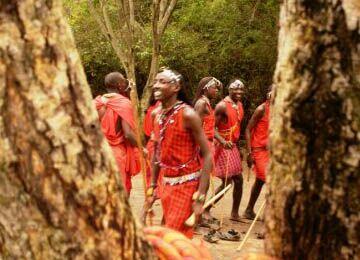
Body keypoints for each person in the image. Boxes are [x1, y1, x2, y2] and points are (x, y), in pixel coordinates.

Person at [145, 68, 212, 238]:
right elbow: (157, 154)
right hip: (167, 184)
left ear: (176, 87)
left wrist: (200, 198)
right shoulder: (156, 114)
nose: (156, 86)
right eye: (156, 81)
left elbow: (208, 154)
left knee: (174, 238)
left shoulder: (188, 115)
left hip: (187, 185)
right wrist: (153, 186)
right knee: (170, 236)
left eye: (162, 82)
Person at [203, 79, 245, 222]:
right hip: (222, 146)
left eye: (241, 90)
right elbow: (211, 128)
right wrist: (222, 141)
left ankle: (234, 213)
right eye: (235, 89)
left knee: (237, 181)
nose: (238, 92)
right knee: (229, 181)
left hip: (232, 146)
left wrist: (238, 147)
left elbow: (236, 128)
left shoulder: (239, 105)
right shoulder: (222, 106)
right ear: (229, 90)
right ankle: (206, 209)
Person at [94, 72, 140, 195]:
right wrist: (141, 147)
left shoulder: (96, 102)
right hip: (116, 154)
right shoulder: (124, 103)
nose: (126, 83)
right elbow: (128, 134)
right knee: (120, 192)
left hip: (98, 152)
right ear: (119, 85)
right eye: (124, 81)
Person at [193, 77, 222, 223]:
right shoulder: (201, 103)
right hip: (203, 147)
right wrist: (199, 147)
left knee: (202, 183)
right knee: (199, 183)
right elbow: (196, 127)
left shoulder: (207, 103)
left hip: (208, 145)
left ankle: (197, 218)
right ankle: (195, 219)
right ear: (206, 88)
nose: (216, 90)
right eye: (214, 88)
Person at [243, 85, 273, 219]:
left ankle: (249, 210)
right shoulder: (261, 109)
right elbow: (248, 130)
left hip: (272, 151)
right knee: (268, 179)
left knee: (261, 181)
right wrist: (249, 153)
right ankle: (268, 216)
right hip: (259, 150)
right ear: (268, 94)